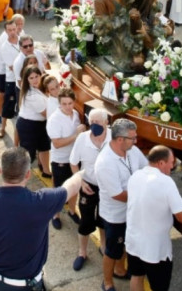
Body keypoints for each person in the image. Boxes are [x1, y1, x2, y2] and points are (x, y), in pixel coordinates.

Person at [0, 147, 83, 291]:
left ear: (0, 171)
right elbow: (72, 186)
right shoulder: (42, 201)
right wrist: (83, 172)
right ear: (28, 174)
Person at [126, 146, 182, 291]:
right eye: (171, 162)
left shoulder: (135, 176)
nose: (172, 166)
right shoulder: (165, 182)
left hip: (133, 242)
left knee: (136, 276)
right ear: (161, 163)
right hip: (155, 249)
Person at [95, 118, 149, 291]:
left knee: (125, 243)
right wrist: (141, 196)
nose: (136, 141)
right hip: (115, 216)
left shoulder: (132, 151)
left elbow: (146, 167)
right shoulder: (105, 162)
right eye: (132, 138)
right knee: (112, 250)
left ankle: (119, 269)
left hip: (131, 211)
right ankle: (107, 282)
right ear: (120, 139)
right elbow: (117, 194)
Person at [69, 108, 111, 271]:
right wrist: (80, 182)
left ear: (106, 122)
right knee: (86, 221)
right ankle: (82, 252)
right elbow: (73, 163)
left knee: (104, 219)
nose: (94, 125)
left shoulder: (114, 137)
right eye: (91, 122)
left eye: (97, 122)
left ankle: (104, 247)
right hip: (88, 185)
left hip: (108, 187)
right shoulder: (82, 139)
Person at [45, 88, 86, 229]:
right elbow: (56, 143)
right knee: (59, 191)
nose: (68, 107)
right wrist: (76, 135)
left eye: (70, 103)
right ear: (59, 103)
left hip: (74, 159)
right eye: (64, 104)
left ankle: (72, 211)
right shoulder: (54, 120)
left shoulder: (75, 114)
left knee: (74, 188)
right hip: (60, 161)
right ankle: (55, 215)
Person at [16, 66, 50, 174]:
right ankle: (19, 178)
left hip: (40, 124)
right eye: (31, 78)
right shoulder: (31, 95)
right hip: (29, 126)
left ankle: (46, 171)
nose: (35, 80)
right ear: (27, 80)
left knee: (44, 147)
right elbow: (46, 113)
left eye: (37, 76)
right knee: (28, 155)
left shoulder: (38, 89)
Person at [0, 20, 21, 139]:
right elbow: (11, 67)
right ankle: (2, 128)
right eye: (9, 30)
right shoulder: (4, 47)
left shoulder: (23, 41)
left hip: (24, 78)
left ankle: (21, 132)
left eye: (14, 29)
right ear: (5, 31)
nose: (12, 32)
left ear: (17, 28)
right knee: (7, 104)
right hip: (11, 80)